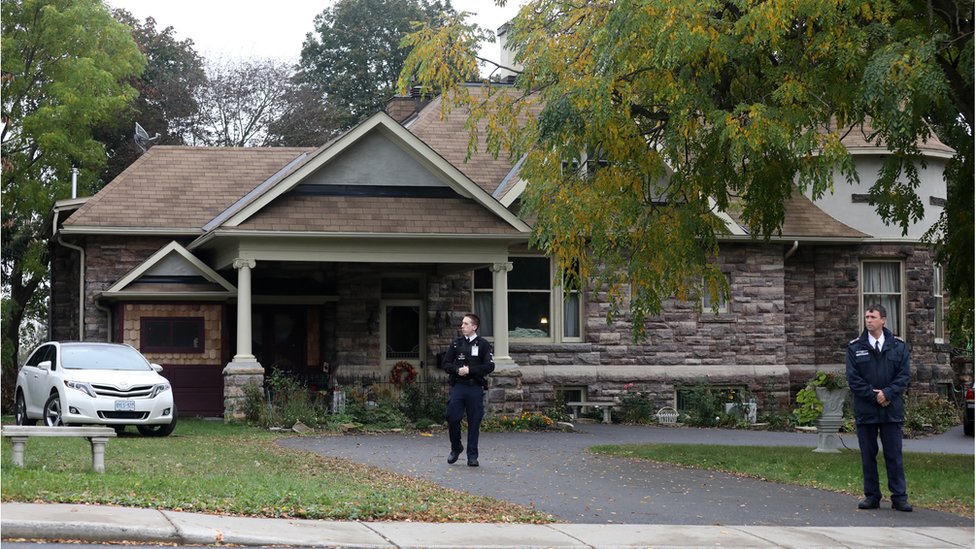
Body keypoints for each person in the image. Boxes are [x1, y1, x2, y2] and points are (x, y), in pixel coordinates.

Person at [845, 304, 912, 512]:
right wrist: (876, 396)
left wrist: (888, 394)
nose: (868, 320)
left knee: (894, 455)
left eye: (872, 316)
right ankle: (872, 496)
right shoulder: (855, 347)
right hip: (866, 410)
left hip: (891, 410)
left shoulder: (898, 346)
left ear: (883, 320)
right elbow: (853, 379)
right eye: (866, 316)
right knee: (868, 455)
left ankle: (899, 497)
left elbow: (904, 376)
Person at [442, 313, 494, 467]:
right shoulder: (456, 344)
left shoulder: (483, 344)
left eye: (466, 324)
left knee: (474, 420)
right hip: (459, 386)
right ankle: (456, 447)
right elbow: (446, 364)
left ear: (474, 327)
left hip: (474, 387)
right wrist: (458, 370)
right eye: (462, 323)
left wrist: (470, 370)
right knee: (452, 417)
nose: (462, 326)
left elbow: (490, 366)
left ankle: (472, 455)